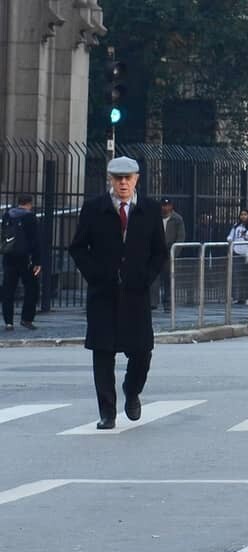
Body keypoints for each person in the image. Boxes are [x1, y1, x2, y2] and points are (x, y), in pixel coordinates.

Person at [69, 156, 167, 430]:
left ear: (137, 179)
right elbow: (78, 248)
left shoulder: (148, 209)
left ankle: (132, 391)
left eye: (128, 178)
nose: (123, 183)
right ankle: (107, 412)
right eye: (118, 178)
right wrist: (96, 275)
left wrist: (145, 277)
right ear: (110, 180)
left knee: (142, 352)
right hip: (104, 294)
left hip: (136, 294)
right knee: (102, 352)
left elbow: (160, 251)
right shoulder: (93, 208)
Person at [1, 194, 41, 331]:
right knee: (32, 288)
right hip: (26, 259)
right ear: (30, 203)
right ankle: (26, 318)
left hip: (9, 256)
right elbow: (35, 241)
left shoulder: (7, 215)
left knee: (8, 290)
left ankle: (8, 322)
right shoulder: (30, 217)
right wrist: (37, 261)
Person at [150, 198, 185, 311]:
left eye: (167, 205)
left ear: (171, 206)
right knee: (154, 278)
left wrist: (175, 253)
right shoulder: (155, 217)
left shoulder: (177, 219)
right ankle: (153, 302)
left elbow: (181, 237)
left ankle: (168, 302)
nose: (165, 208)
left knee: (168, 279)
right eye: (163, 206)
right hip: (156, 252)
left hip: (169, 253)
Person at [226, 209, 248, 305]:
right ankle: (236, 297)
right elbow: (230, 236)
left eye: (245, 214)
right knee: (236, 276)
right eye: (241, 214)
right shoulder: (236, 226)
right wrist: (229, 240)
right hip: (237, 252)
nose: (243, 216)